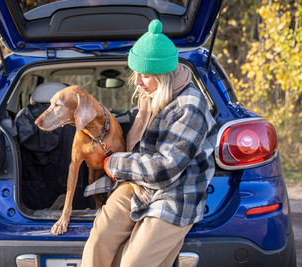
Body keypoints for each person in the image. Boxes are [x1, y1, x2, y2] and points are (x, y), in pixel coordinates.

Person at [81, 19, 218, 267]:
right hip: (137, 185)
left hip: (175, 194)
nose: (137, 82)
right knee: (98, 242)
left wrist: (114, 163)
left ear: (164, 76)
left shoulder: (190, 107)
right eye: (136, 74)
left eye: (144, 76)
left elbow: (165, 169)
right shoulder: (150, 96)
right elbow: (136, 131)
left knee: (133, 263)